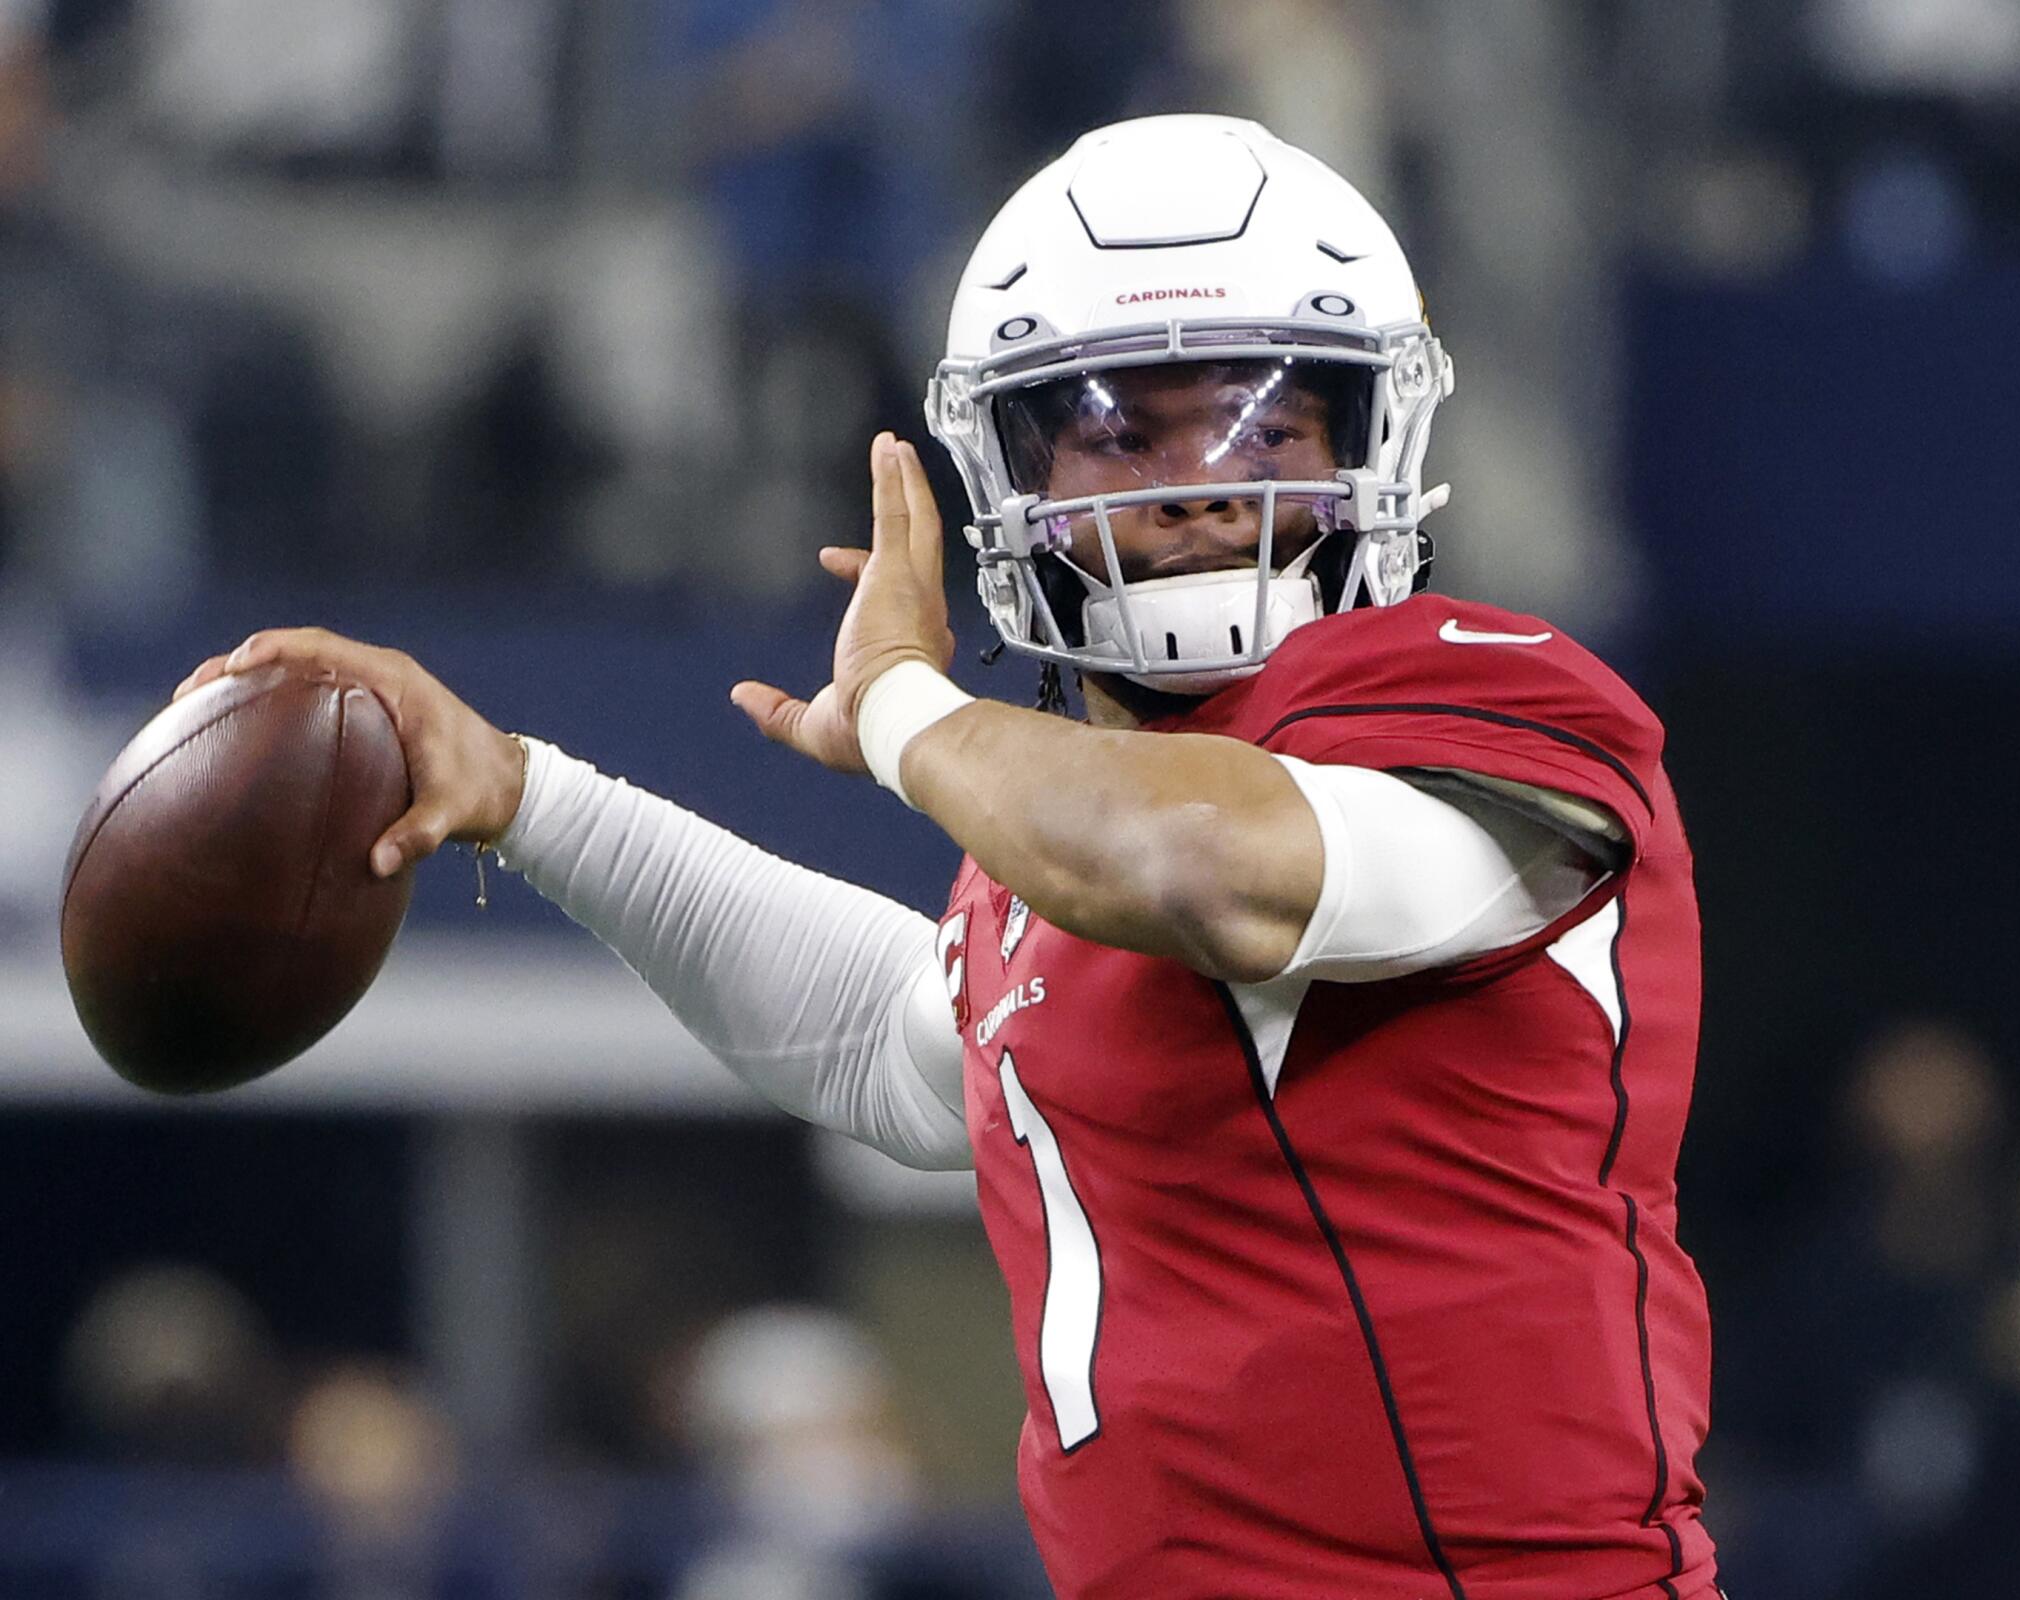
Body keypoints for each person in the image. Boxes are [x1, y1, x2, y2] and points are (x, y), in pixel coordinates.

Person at [175, 115, 1718, 1600]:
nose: (1192, 479)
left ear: (1377, 435)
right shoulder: (1046, 858)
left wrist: (909, 700)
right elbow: (888, 1036)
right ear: (1013, 478)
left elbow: (1202, 867)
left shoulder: (1485, 699)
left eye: (1262, 417)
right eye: (1115, 428)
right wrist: (529, 794)